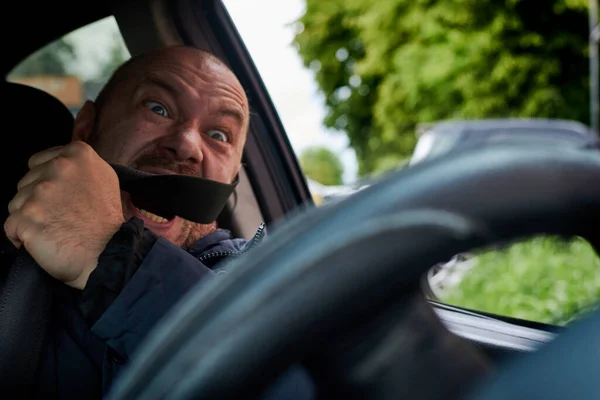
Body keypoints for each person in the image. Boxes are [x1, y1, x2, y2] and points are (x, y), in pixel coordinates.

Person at [4, 46, 314, 399]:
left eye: (219, 135)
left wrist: (113, 258)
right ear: (86, 129)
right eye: (158, 108)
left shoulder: (265, 278)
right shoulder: (9, 247)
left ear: (231, 179)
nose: (186, 145)